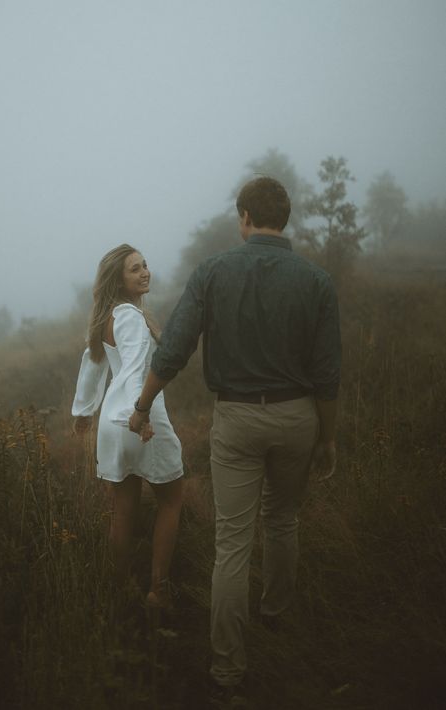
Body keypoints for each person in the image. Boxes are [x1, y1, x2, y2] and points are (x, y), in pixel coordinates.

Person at [129, 177, 341, 698]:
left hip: (238, 421)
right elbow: (327, 372)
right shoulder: (317, 281)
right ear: (283, 218)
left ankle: (227, 671)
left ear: (244, 216)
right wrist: (327, 437)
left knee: (232, 542)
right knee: (284, 519)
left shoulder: (213, 272)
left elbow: (173, 348)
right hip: (298, 419)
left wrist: (140, 403)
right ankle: (274, 615)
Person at [72, 244, 183, 611]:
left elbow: (93, 364)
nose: (145, 272)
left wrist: (84, 411)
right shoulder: (131, 318)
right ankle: (158, 590)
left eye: (145, 265)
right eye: (135, 269)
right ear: (118, 280)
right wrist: (142, 413)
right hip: (139, 418)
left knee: (124, 507)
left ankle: (119, 591)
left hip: (112, 424)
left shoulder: (108, 317)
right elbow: (137, 367)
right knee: (171, 499)